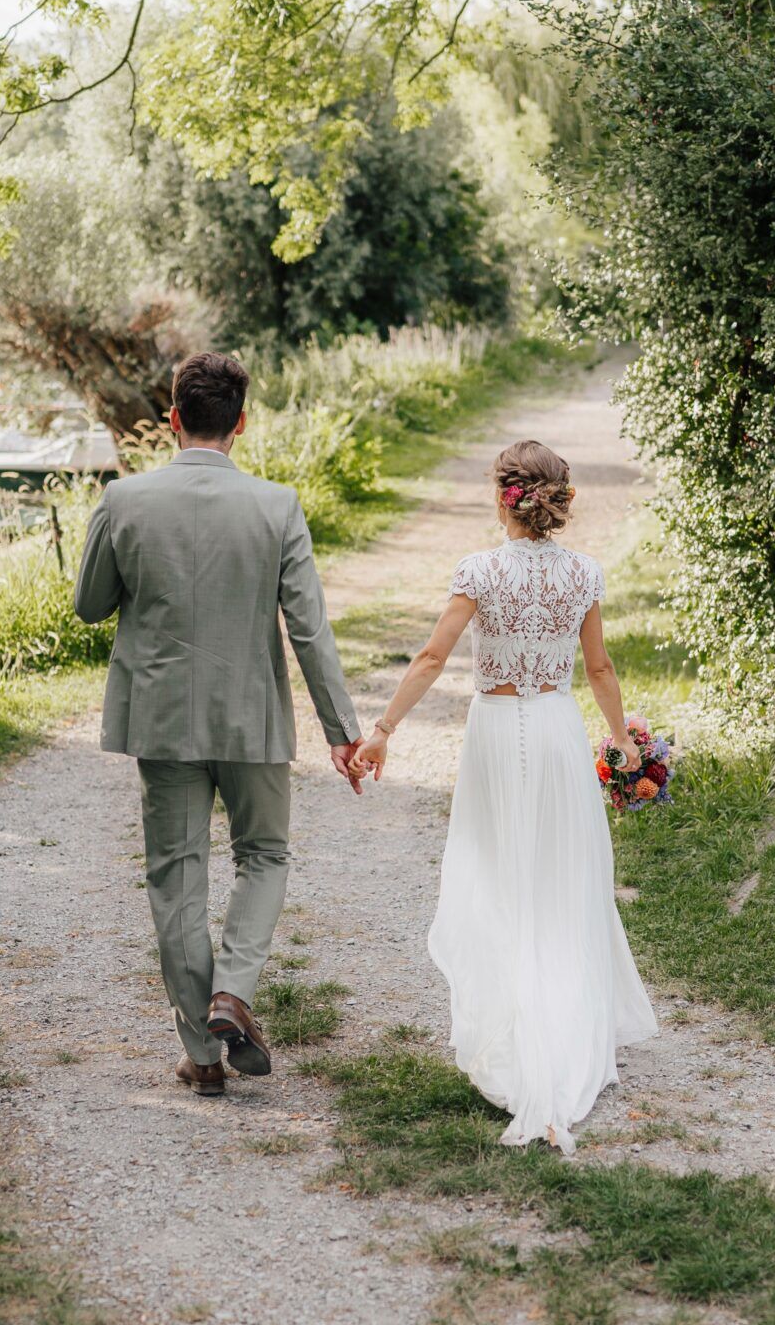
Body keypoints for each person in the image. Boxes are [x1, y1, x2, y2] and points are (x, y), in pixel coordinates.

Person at [352, 438, 657, 1153]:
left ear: (503, 497)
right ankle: (565, 1027)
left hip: (495, 729)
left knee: (499, 878)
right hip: (554, 727)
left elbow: (433, 656)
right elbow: (599, 667)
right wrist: (622, 739)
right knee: (560, 881)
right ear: (558, 501)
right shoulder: (583, 573)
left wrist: (383, 730)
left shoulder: (479, 571)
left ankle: (516, 1031)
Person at [75, 350, 362, 1096]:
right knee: (263, 853)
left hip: (162, 717)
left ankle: (203, 1054)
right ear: (241, 424)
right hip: (251, 717)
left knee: (176, 874)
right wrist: (340, 729)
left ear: (172, 418)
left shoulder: (122, 500)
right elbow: (308, 628)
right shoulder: (277, 506)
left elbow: (89, 605)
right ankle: (232, 992)